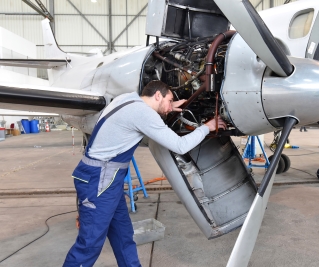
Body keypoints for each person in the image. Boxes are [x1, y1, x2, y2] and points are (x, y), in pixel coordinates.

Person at [63, 80, 226, 267]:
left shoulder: (127, 99)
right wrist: (208, 127)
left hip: (107, 179)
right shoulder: (144, 114)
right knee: (89, 244)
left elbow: (140, 116)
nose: (170, 105)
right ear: (158, 95)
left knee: (123, 237)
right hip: (99, 180)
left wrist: (169, 106)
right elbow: (180, 146)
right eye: (169, 99)